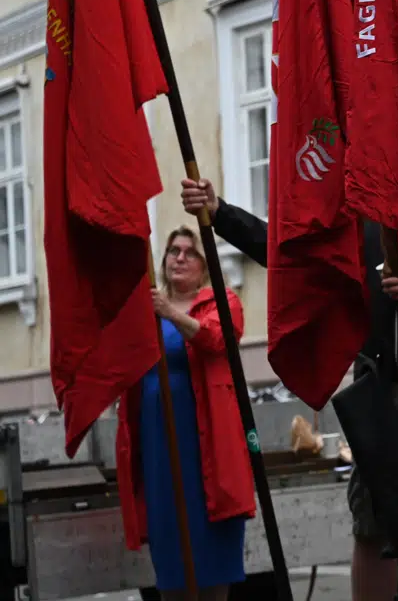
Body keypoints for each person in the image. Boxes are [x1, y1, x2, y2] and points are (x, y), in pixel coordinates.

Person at [178, 182, 398, 601]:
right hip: (377, 384)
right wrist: (221, 213)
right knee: (373, 519)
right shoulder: (356, 222)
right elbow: (291, 258)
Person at [116, 226, 253, 601]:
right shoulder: (143, 312)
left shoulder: (221, 302)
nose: (179, 258)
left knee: (212, 561)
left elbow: (218, 338)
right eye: (173, 251)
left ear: (204, 266)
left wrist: (170, 314)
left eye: (189, 253)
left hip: (207, 451)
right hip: (160, 450)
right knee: (171, 559)